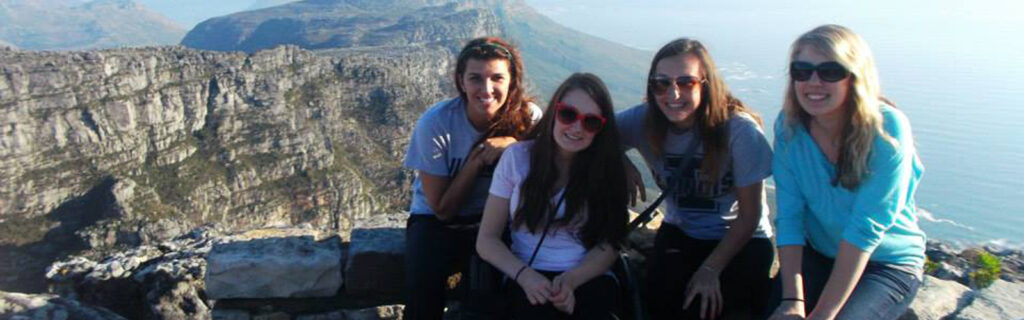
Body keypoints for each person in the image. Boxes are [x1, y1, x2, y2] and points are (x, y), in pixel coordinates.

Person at [769, 24, 926, 320]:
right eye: (801, 71)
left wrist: (824, 314)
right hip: (820, 254)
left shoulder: (887, 129)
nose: (813, 82)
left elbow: (865, 228)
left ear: (855, 77)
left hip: (886, 264)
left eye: (830, 71)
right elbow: (789, 215)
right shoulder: (789, 127)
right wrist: (792, 300)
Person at [617, 38, 775, 320]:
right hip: (682, 232)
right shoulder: (644, 120)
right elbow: (589, 135)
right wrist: (620, 158)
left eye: (686, 82)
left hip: (741, 240)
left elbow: (750, 216)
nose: (673, 93)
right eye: (661, 83)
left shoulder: (739, 132)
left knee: (712, 308)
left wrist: (710, 270)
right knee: (658, 303)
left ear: (706, 83)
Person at [402, 36, 542, 320]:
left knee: (491, 297)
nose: (486, 89)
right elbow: (442, 210)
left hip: (495, 218)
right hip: (436, 224)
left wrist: (513, 146)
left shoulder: (529, 119)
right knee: (423, 291)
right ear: (461, 82)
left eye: (497, 78)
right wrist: (478, 159)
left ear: (512, 82)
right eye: (475, 78)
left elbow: (558, 158)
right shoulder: (437, 124)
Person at [476, 73, 629, 319]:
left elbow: (609, 244)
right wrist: (525, 276)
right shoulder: (517, 160)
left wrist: (570, 282)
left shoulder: (607, 170)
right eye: (568, 114)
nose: (577, 127)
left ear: (602, 128)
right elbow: (487, 240)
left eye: (591, 122)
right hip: (525, 272)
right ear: (553, 112)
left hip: (587, 276)